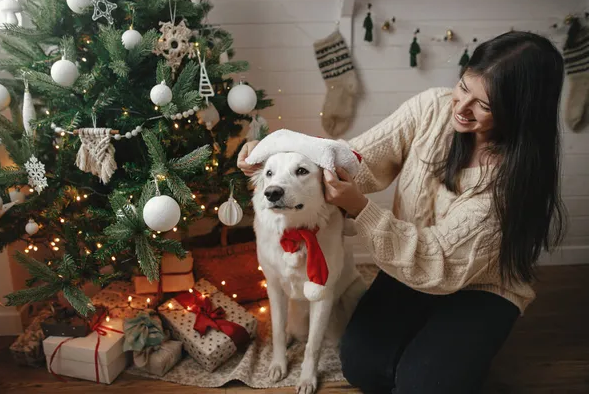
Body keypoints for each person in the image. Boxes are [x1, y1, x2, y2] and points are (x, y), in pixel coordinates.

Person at [237, 31, 566, 394]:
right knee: (362, 366)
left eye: (484, 105)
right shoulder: (432, 109)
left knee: (423, 385)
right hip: (408, 266)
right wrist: (271, 153)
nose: (461, 107)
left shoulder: (509, 184)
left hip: (477, 283)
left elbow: (437, 261)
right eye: (463, 86)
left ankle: (464, 347)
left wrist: (360, 209)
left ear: (518, 113)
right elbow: (356, 159)